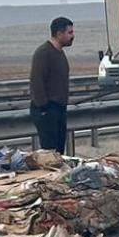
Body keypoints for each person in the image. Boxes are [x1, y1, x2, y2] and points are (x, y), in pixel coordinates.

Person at [29, 17, 74, 154]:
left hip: (59, 108)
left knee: (59, 152)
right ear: (59, 34)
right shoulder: (44, 53)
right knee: (50, 153)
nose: (72, 36)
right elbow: (36, 81)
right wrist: (44, 108)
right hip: (48, 109)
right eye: (69, 32)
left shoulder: (59, 53)